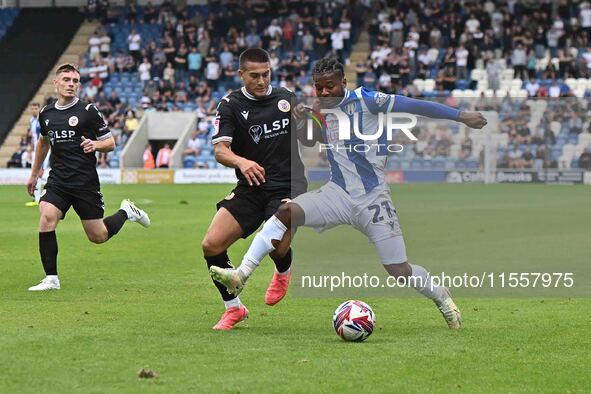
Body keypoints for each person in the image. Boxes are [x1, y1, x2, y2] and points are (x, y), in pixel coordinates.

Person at [210, 57, 488, 329]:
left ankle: (443, 300)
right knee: (286, 211)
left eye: (330, 86)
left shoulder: (367, 100)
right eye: (319, 87)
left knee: (398, 271)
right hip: (337, 193)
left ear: (344, 82)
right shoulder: (320, 109)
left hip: (373, 199)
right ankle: (241, 275)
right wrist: (305, 120)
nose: (325, 92)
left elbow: (412, 105)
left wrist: (460, 116)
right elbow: (313, 138)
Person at [201, 48, 308, 330]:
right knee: (211, 245)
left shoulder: (286, 99)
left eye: (266, 74)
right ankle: (233, 309)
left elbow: (310, 138)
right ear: (241, 75)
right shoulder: (230, 105)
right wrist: (242, 161)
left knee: (278, 247)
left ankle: (283, 270)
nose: (262, 81)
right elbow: (220, 151)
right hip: (251, 186)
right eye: (255, 76)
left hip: (288, 185)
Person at [26, 63, 151, 292]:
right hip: (59, 180)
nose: (71, 84)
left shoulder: (88, 111)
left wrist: (95, 144)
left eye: (75, 81)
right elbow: (44, 143)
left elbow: (111, 143)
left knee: (98, 236)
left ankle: (126, 211)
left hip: (85, 184)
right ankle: (51, 279)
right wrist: (34, 174)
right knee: (46, 216)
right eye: (66, 80)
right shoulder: (46, 114)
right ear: (56, 83)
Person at [25, 102, 50, 207]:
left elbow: (44, 138)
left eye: (36, 108)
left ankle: (41, 197)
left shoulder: (42, 120)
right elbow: (33, 138)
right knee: (36, 173)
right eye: (32, 108)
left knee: (40, 173)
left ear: (39, 109)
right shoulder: (32, 121)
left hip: (43, 148)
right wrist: (30, 150)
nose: (34, 110)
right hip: (36, 148)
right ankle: (37, 198)